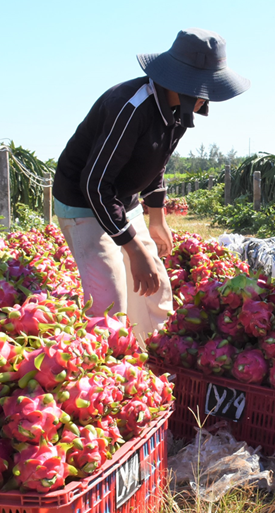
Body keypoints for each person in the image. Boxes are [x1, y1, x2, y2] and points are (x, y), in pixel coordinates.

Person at [53, 28, 250, 345]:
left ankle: (152, 360)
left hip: (122, 200)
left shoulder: (178, 110)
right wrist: (132, 248)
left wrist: (157, 220)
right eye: (207, 89)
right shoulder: (130, 108)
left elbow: (156, 165)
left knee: (153, 289)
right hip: (84, 202)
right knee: (109, 297)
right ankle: (112, 371)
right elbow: (95, 184)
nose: (209, 98)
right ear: (185, 82)